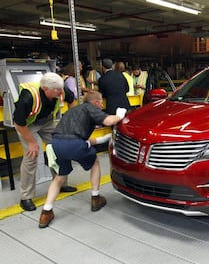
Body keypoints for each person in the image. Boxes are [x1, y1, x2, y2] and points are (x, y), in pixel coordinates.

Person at [38, 91, 127, 228]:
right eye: (101, 102)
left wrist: (105, 138)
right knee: (95, 162)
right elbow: (109, 121)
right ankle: (96, 198)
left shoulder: (73, 111)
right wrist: (120, 115)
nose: (102, 105)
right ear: (96, 102)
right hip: (73, 144)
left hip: (56, 143)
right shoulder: (90, 108)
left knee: (60, 177)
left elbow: (77, 139)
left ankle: (46, 212)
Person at [13, 72, 78, 212]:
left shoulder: (59, 88)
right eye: (56, 90)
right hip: (27, 125)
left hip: (47, 122)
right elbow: (18, 123)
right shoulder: (28, 97)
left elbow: (71, 99)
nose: (60, 92)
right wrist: (31, 142)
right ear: (45, 89)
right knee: (32, 156)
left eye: (61, 89)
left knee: (59, 150)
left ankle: (60, 183)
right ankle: (26, 197)